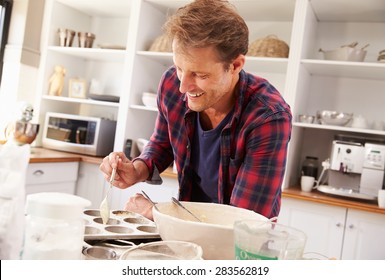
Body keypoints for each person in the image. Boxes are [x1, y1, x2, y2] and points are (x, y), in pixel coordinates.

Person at [99, 0, 292, 221]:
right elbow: (163, 143)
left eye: (200, 75)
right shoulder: (172, 83)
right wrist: (137, 169)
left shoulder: (268, 117)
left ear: (236, 65)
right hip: (187, 226)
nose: (183, 87)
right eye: (180, 68)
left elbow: (243, 223)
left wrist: (155, 212)